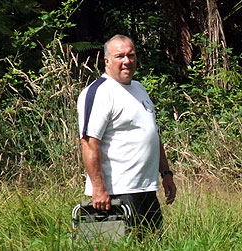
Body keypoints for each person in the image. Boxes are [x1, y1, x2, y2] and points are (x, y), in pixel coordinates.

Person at [77, 34, 176, 233]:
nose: (127, 61)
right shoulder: (99, 92)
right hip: (116, 194)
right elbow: (89, 143)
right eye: (120, 56)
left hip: (146, 189)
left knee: (153, 245)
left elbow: (152, 135)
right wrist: (98, 189)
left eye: (131, 55)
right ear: (107, 61)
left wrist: (166, 174)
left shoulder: (139, 88)